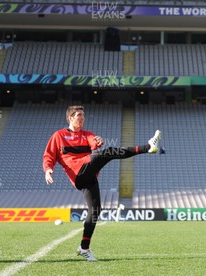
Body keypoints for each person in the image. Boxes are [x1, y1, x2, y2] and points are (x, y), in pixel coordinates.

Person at [43, 105, 161, 261]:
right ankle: (148, 147)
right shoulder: (59, 135)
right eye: (79, 115)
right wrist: (48, 169)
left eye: (83, 116)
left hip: (89, 175)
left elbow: (95, 142)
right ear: (70, 118)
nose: (82, 118)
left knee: (95, 210)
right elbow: (49, 155)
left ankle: (84, 248)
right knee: (106, 154)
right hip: (78, 173)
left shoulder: (87, 134)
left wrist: (99, 140)